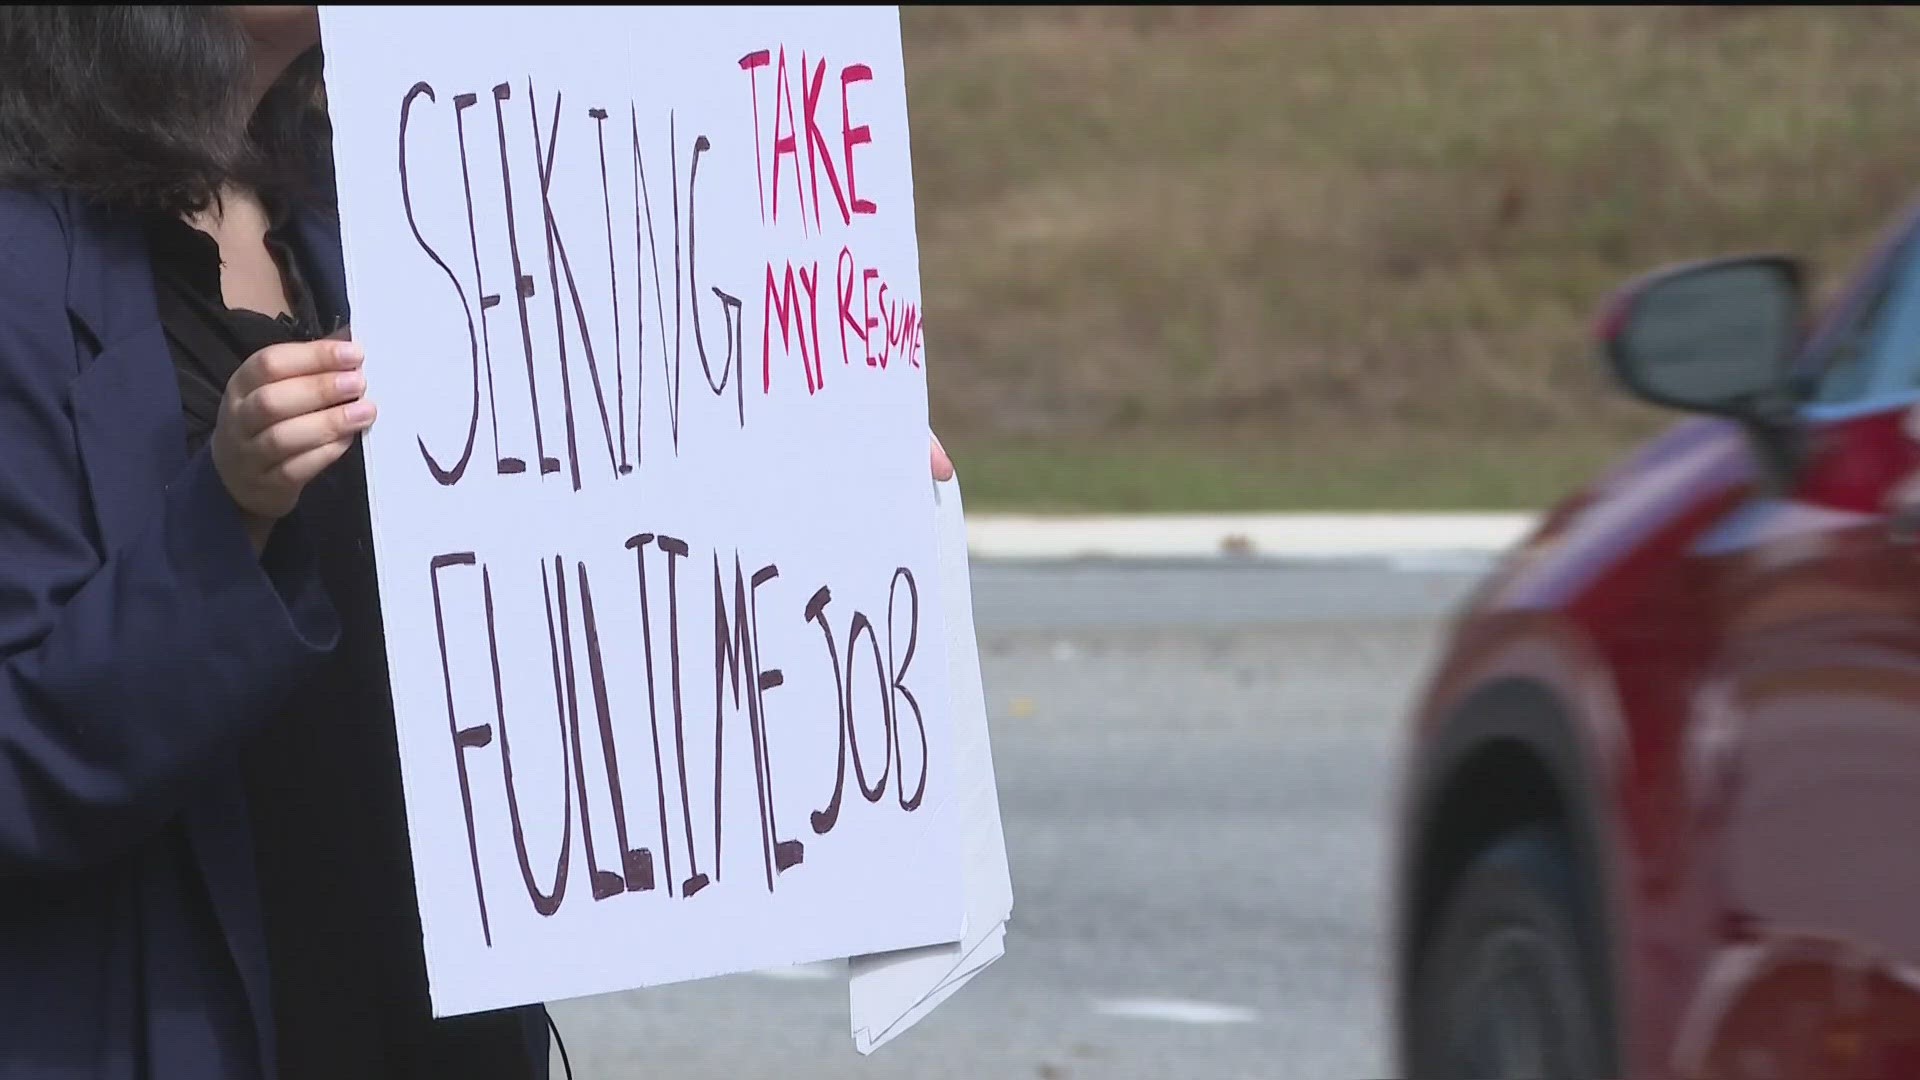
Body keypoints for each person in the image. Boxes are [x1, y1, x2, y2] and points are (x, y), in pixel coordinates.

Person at [0, 7, 953, 1079]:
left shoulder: (396, 195)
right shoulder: (25, 259)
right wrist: (227, 510)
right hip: (176, 1026)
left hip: (439, 1025)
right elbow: (23, 773)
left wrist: (820, 481)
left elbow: (588, 566)